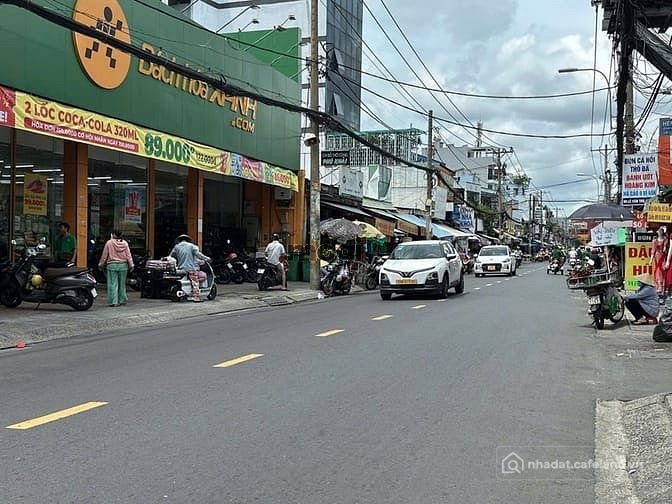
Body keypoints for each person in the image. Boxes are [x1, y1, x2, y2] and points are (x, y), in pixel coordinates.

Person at [169, 234, 210, 302]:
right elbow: (198, 254)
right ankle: (196, 297)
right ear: (188, 240)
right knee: (195, 282)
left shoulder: (176, 247)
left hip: (180, 268)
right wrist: (207, 258)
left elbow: (171, 257)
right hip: (190, 269)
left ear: (179, 240)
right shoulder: (192, 246)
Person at [98, 230, 134, 307]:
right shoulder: (125, 243)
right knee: (122, 284)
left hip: (112, 266)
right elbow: (128, 255)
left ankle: (114, 301)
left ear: (114, 235)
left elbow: (104, 255)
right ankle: (122, 300)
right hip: (123, 266)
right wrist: (131, 265)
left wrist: (101, 264)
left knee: (113, 284)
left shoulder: (109, 243)